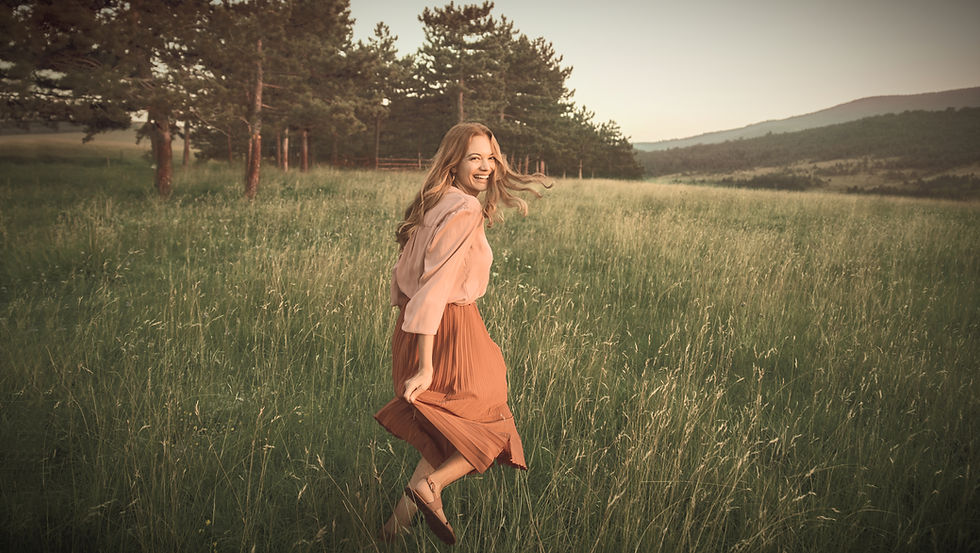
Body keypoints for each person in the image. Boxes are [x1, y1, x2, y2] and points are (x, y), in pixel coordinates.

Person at [374, 122, 548, 545]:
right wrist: (428, 365)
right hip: (449, 329)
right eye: (475, 157)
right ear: (454, 161)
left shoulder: (436, 202)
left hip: (416, 326)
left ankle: (388, 533)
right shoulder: (465, 209)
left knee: (443, 437)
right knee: (494, 425)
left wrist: (411, 338)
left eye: (491, 157)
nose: (487, 166)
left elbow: (403, 279)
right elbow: (434, 286)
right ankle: (431, 487)